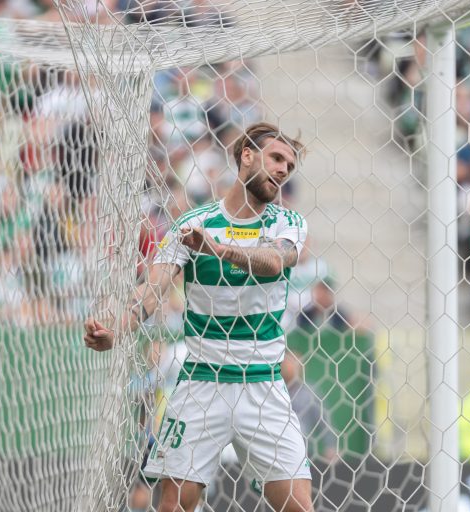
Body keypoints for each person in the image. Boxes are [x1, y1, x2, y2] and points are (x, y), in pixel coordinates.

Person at [85, 122, 312, 512]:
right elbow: (151, 293)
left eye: (289, 166)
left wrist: (217, 249)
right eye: (276, 158)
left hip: (262, 384)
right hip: (201, 382)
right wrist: (116, 332)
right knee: (173, 505)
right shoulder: (192, 225)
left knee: (297, 506)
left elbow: (275, 262)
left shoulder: (287, 223)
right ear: (246, 156)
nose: (282, 170)